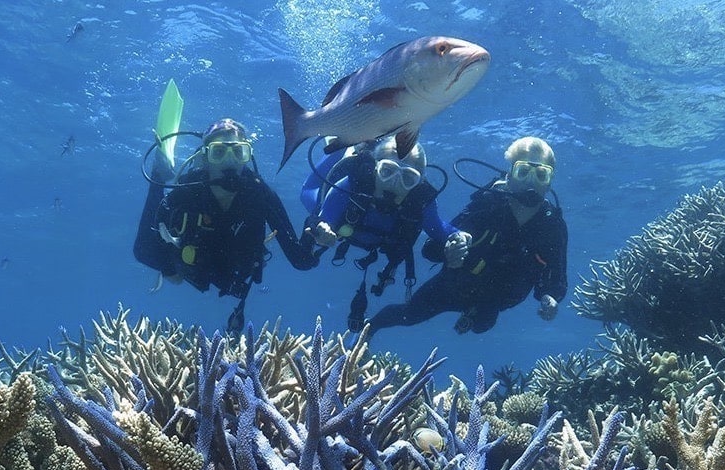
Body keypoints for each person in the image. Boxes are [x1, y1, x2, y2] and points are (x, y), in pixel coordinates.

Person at [366, 136, 568, 336]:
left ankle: (472, 315)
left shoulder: (553, 225)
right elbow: (431, 248)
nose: (530, 183)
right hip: (454, 286)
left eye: (541, 175)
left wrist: (550, 296)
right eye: (523, 172)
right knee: (408, 315)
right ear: (509, 176)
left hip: (496, 300)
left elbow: (556, 273)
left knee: (482, 327)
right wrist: (448, 250)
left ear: (549, 183)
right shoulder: (487, 206)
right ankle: (370, 328)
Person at [133, 118, 318, 334]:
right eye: (219, 152)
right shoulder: (187, 192)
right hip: (191, 270)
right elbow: (143, 249)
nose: (229, 162)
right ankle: (160, 170)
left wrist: (314, 228)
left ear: (247, 157)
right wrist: (167, 267)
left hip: (235, 276)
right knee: (174, 278)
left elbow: (301, 260)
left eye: (238, 153)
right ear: (205, 157)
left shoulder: (260, 195)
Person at [300, 136, 470, 331]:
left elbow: (440, 229)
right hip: (344, 217)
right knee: (308, 197)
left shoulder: (420, 203)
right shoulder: (350, 185)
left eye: (408, 178)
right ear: (375, 168)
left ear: (418, 182)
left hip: (368, 235)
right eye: (387, 171)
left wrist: (461, 237)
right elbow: (325, 219)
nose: (395, 183)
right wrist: (322, 231)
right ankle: (340, 144)